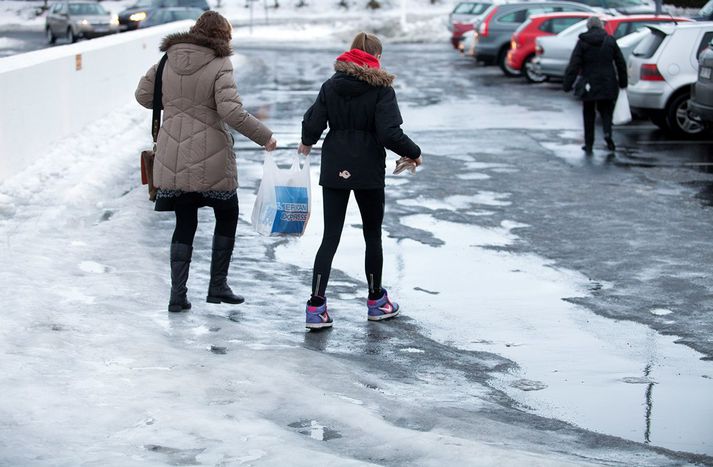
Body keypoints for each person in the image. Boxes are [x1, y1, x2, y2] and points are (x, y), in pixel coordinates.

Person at [135, 11, 277, 312]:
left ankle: (177, 295)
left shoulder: (167, 58)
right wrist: (264, 136)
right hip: (211, 153)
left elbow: (143, 96)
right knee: (227, 212)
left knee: (185, 221)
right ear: (223, 36)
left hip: (173, 153)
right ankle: (217, 285)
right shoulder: (220, 62)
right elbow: (231, 112)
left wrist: (176, 103)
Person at [299, 32, 422, 329]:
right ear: (376, 58)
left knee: (330, 237)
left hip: (335, 166)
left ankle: (316, 307)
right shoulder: (382, 89)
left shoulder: (331, 85)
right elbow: (389, 133)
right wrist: (413, 152)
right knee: (372, 235)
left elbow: (314, 122)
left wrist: (306, 142)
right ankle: (376, 301)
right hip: (367, 168)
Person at [563, 16, 627, 154]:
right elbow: (620, 63)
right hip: (608, 82)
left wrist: (567, 84)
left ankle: (589, 143)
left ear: (588, 27)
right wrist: (623, 82)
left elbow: (574, 65)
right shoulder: (610, 40)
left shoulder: (582, 42)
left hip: (588, 84)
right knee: (606, 112)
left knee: (588, 113)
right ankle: (607, 133)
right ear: (601, 26)